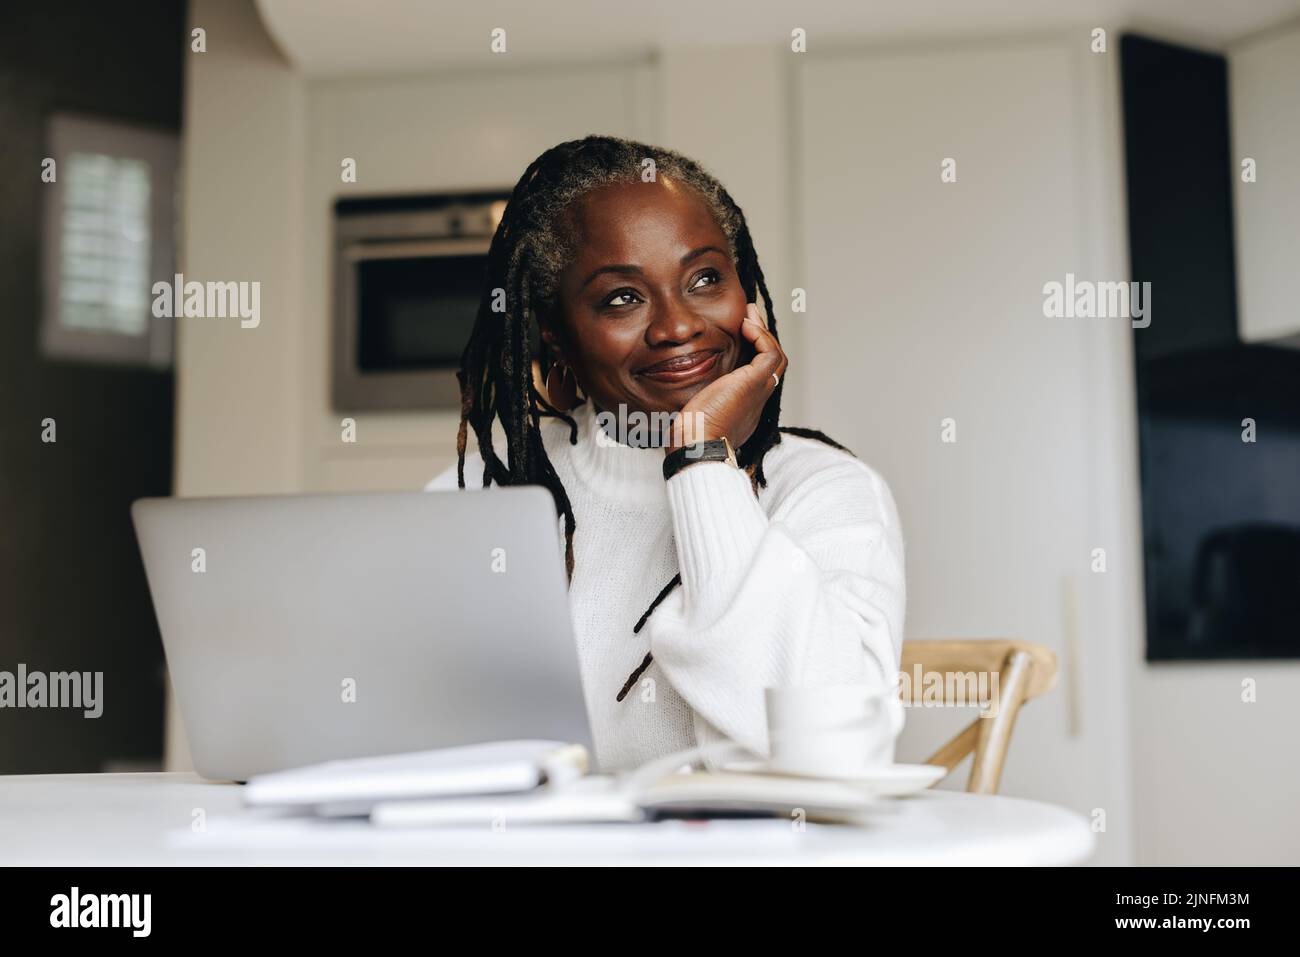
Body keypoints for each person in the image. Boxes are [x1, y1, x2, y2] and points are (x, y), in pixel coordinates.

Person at [427, 135, 905, 772]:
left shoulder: (821, 489)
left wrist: (702, 462)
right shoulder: (482, 493)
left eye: (705, 278)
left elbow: (837, 754)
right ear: (556, 334)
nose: (677, 326)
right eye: (622, 297)